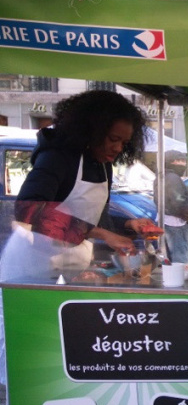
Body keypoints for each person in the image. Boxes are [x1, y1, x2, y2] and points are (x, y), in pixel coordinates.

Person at [0, 89, 160, 282]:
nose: (118, 148)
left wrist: (129, 225)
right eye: (113, 139)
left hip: (71, 270)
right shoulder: (57, 156)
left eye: (124, 143)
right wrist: (102, 233)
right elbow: (29, 208)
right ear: (91, 131)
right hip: (31, 269)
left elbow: (95, 221)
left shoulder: (103, 165)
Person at [157, 150, 188, 263]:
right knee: (180, 256)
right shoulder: (173, 178)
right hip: (176, 223)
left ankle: (174, 277)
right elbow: (178, 201)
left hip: (166, 220)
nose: (183, 164)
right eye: (179, 160)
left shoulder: (162, 176)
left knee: (170, 256)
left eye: (184, 161)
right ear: (170, 162)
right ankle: (181, 278)